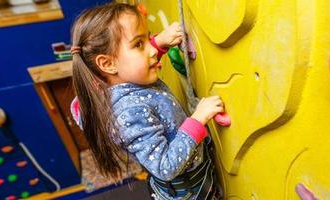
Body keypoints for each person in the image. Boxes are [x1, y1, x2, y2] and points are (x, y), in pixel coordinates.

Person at [69, 3, 223, 199]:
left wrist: (159, 42)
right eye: (138, 44)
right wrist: (198, 120)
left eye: (147, 39)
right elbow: (165, 167)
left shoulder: (118, 81)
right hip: (190, 192)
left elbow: (133, 69)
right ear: (107, 64)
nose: (150, 50)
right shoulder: (129, 113)